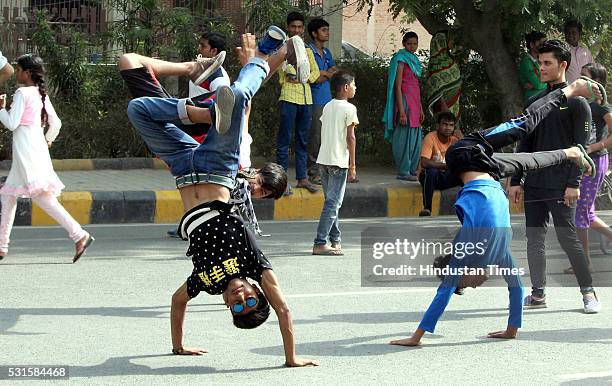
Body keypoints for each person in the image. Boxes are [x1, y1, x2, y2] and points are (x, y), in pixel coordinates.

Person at [126, 28, 318, 367]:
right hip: (218, 168)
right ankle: (277, 48)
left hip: (183, 166)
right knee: (239, 98)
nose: (240, 297)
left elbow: (177, 301)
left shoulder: (208, 282)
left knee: (138, 109)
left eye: (237, 306)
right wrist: (291, 358)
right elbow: (284, 309)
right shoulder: (255, 266)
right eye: (250, 301)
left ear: (227, 305)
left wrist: (178, 346)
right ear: (258, 293)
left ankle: (202, 112)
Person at [390, 77, 602, 347]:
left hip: (465, 152)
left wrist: (415, 337)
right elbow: (517, 287)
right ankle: (571, 152)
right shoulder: (497, 253)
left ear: (461, 270)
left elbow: (443, 291)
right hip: (488, 172)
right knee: (533, 160)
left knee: (520, 125)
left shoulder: (469, 249)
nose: (475, 287)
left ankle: (572, 88)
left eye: (466, 284)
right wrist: (512, 329)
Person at [508, 39, 601, 313]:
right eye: (540, 63)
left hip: (562, 186)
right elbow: (524, 143)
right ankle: (538, 293)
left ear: (563, 65)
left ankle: (588, 292)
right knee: (534, 238)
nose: (541, 68)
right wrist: (516, 180)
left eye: (547, 63)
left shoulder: (578, 104)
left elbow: (581, 148)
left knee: (567, 238)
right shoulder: (534, 102)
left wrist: (574, 184)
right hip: (535, 183)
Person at [0, 54, 94, 262]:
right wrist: (48, 140)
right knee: (8, 195)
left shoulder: (22, 93)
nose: (16, 73)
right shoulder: (40, 94)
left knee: (41, 197)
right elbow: (56, 123)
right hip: (36, 149)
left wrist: (0, 108)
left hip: (26, 152)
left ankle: (79, 235)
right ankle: (2, 246)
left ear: (27, 73)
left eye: (18, 69)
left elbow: (12, 123)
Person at [566, 63, 612, 274]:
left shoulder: (603, 107)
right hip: (583, 162)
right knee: (587, 213)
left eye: (586, 77)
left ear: (598, 82)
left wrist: (596, 146)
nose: (581, 80)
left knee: (580, 213)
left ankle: (584, 263)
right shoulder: (580, 102)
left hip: (594, 163)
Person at [312, 71, 358, 256]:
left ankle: (335, 239)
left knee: (332, 202)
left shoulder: (328, 106)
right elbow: (351, 138)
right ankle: (320, 242)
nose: (355, 88)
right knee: (333, 203)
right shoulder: (349, 108)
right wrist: (353, 165)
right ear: (345, 87)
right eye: (353, 85)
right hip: (338, 161)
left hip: (323, 160)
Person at [276, 12, 321, 195]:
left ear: (303, 29)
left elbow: (316, 72)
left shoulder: (308, 50)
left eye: (299, 27)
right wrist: (290, 75)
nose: (296, 30)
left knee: (303, 140)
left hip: (306, 98)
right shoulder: (283, 49)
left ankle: (302, 178)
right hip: (288, 97)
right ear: (288, 27)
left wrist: (304, 78)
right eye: (293, 27)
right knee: (284, 140)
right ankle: (281, 181)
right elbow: (281, 75)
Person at [383, 31, 424, 181]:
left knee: (415, 138)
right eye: (409, 44)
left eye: (415, 43)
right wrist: (401, 111)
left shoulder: (415, 60)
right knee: (403, 137)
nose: (412, 46)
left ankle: (412, 169)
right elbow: (397, 86)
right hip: (405, 102)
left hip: (415, 103)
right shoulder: (400, 60)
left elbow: (416, 86)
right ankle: (403, 171)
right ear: (403, 44)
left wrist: (420, 107)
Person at [306, 18, 337, 184]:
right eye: (324, 30)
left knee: (327, 136)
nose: (327, 33)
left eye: (327, 29)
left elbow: (334, 72)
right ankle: (313, 171)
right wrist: (324, 74)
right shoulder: (308, 51)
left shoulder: (327, 52)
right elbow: (314, 78)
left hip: (328, 100)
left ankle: (323, 170)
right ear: (314, 33)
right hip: (314, 100)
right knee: (315, 136)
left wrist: (324, 73)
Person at [417, 112, 461, 217]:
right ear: (438, 126)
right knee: (431, 170)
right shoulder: (430, 137)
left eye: (451, 125)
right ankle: (427, 208)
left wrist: (462, 138)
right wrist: (446, 166)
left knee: (464, 170)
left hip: (446, 177)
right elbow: (424, 162)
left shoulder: (455, 140)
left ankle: (469, 210)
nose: (448, 128)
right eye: (445, 124)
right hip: (430, 177)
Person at [426, 30, 462, 130]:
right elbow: (435, 89)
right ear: (442, 42)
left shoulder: (450, 60)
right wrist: (444, 108)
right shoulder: (434, 65)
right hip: (443, 108)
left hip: (455, 105)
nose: (452, 43)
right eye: (449, 40)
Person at [518, 31, 547, 101]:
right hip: (533, 101)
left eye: (544, 43)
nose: (543, 46)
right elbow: (538, 84)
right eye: (540, 43)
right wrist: (550, 81)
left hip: (542, 98)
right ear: (531, 45)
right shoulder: (526, 62)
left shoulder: (541, 59)